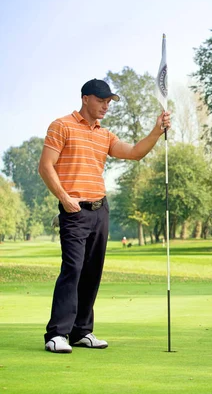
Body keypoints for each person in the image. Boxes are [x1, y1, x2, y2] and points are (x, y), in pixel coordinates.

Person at [39, 78, 171, 353]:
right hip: (74, 210)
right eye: (101, 101)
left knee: (92, 272)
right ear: (85, 98)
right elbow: (45, 166)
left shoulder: (105, 134)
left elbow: (134, 153)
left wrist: (156, 132)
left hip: (101, 210)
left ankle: (81, 331)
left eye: (109, 102)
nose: (105, 106)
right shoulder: (61, 126)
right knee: (72, 269)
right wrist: (64, 198)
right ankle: (57, 334)